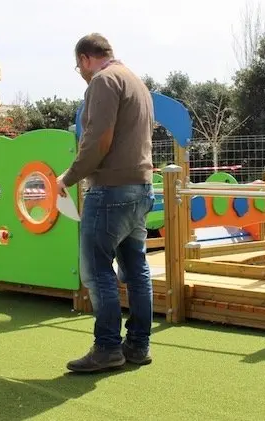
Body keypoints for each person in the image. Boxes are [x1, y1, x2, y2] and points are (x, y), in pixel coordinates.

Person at [57, 33, 155, 373]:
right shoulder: (136, 82)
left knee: (97, 270)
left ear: (86, 58)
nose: (81, 73)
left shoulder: (103, 81)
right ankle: (138, 345)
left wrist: (66, 179)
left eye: (78, 67)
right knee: (136, 269)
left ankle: (107, 347)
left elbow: (99, 139)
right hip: (141, 188)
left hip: (110, 189)